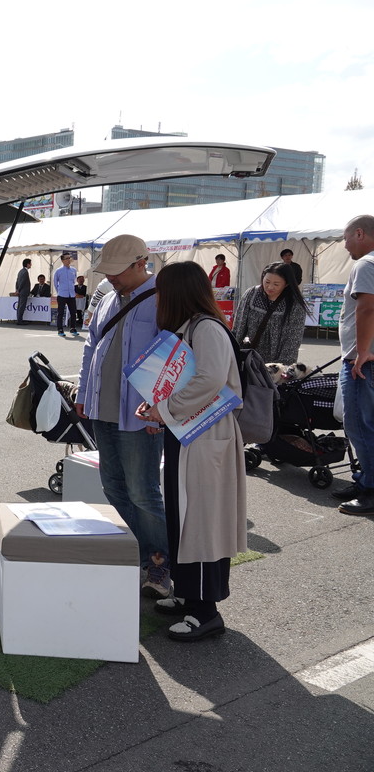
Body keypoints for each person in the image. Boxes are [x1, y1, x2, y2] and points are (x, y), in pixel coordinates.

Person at [137, 261, 246, 642]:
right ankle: (188, 595)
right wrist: (159, 408)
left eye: (161, 292)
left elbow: (210, 379)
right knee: (183, 516)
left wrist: (165, 409)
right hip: (190, 433)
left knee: (200, 520)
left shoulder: (206, 328)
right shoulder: (192, 327)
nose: (157, 300)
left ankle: (205, 611)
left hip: (205, 434)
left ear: (176, 293)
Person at [74, 235, 169, 596]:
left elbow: (174, 359)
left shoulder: (163, 299)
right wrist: (83, 392)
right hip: (103, 408)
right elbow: (91, 347)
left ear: (140, 263)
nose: (110, 277)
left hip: (141, 414)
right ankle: (138, 555)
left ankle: (160, 564)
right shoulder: (108, 299)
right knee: (113, 486)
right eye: (107, 271)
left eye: (116, 271)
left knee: (143, 491)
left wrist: (160, 410)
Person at [333, 215, 374, 516]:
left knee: (359, 425)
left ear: (360, 233)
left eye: (346, 238)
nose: (345, 245)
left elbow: (367, 308)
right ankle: (364, 481)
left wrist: (361, 352)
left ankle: (370, 489)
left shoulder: (366, 264)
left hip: (362, 362)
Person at [231, 262, 308, 364]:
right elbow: (238, 327)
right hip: (251, 358)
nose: (270, 287)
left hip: (277, 362)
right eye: (267, 282)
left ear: (287, 284)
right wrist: (232, 353)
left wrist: (281, 366)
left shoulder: (295, 303)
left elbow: (293, 339)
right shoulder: (252, 294)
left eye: (276, 284)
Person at [53, 252, 79, 337]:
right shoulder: (58, 271)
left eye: (69, 258)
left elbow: (74, 281)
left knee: (73, 312)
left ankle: (73, 328)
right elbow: (55, 283)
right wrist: (59, 291)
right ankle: (60, 329)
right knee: (60, 313)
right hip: (62, 294)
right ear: (62, 260)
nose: (69, 260)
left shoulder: (73, 270)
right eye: (67, 258)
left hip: (71, 294)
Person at [13, 259, 32, 324]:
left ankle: (19, 319)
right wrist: (18, 290)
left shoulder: (20, 271)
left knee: (19, 306)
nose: (31, 265)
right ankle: (20, 320)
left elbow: (17, 281)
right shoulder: (25, 272)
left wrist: (17, 289)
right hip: (23, 291)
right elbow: (22, 282)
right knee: (22, 306)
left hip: (20, 291)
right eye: (30, 263)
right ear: (27, 264)